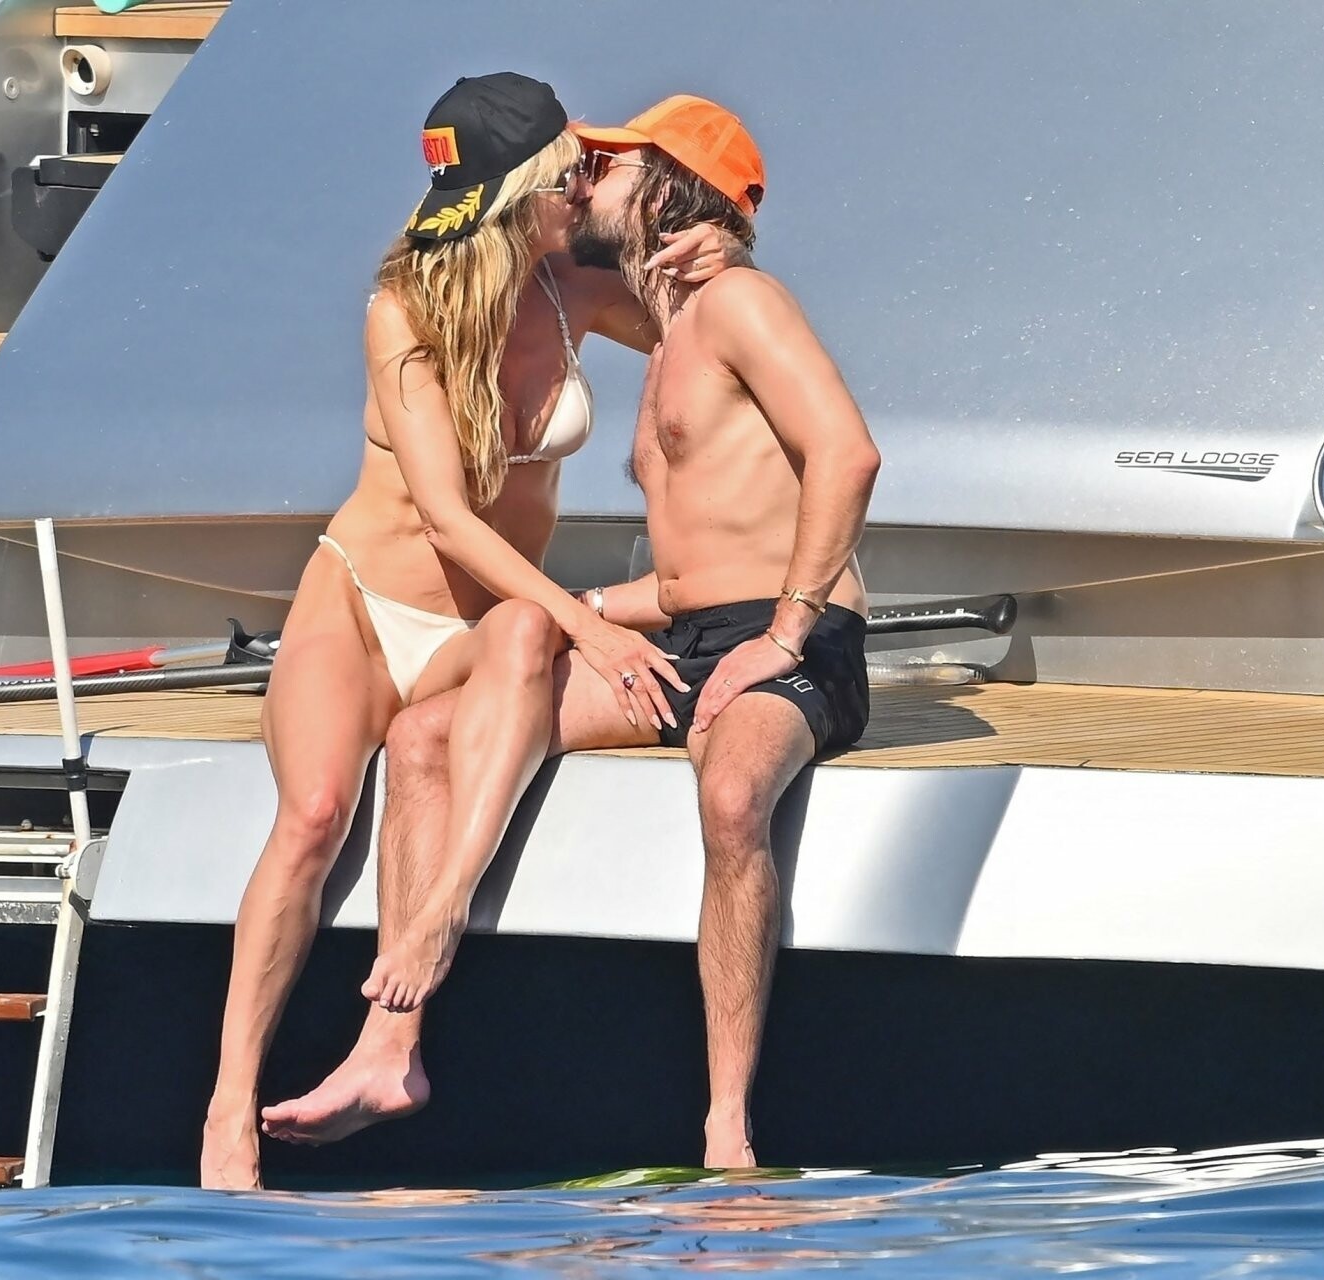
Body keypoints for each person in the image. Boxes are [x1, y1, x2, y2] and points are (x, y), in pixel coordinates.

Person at [265, 96, 880, 1171]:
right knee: (422, 739)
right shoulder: (666, 316)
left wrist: (785, 636)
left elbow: (849, 453)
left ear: (669, 187)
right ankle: (389, 1048)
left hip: (792, 639)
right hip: (689, 632)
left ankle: (726, 1128)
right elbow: (689, 564)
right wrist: (589, 617)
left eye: (608, 165)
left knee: (732, 793)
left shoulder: (741, 301)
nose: (582, 179)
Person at [201, 73, 744, 1191]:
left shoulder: (577, 287)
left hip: (477, 623)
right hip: (366, 603)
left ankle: (405, 1008)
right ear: (519, 194)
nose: (583, 190)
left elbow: (723, 342)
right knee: (313, 816)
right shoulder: (401, 308)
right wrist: (593, 627)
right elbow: (446, 516)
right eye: (566, 177)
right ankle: (226, 1111)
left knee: (515, 640)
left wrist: (717, 258)